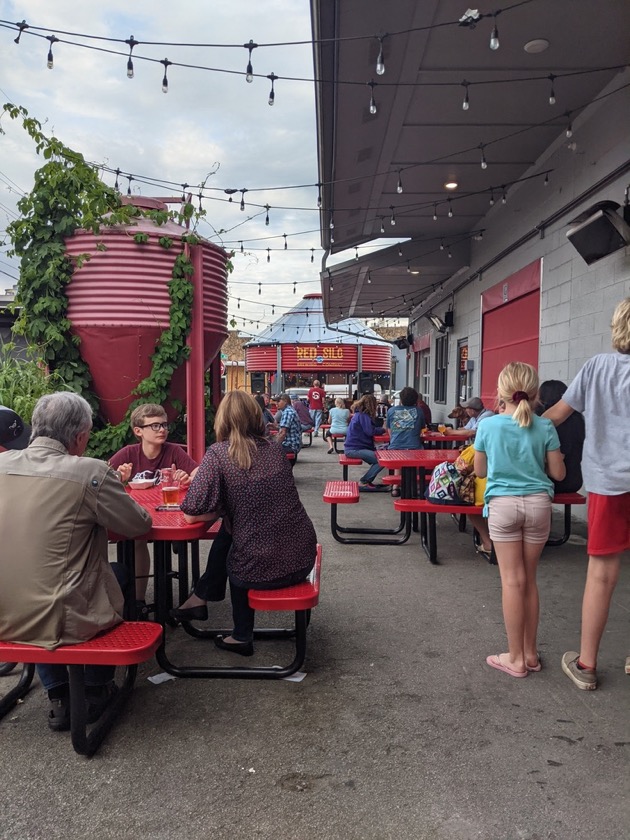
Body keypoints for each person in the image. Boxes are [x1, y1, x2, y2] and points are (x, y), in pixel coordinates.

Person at [0, 392, 152, 730]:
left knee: (33, 581)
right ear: (81, 436)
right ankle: (97, 689)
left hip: (3, 611)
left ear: (35, 426)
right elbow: (138, 525)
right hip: (59, 618)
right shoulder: (90, 473)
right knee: (119, 573)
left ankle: (58, 696)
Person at [171, 392, 317, 655]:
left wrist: (219, 508)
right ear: (255, 416)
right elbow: (257, 499)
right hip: (302, 556)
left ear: (222, 420)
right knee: (235, 533)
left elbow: (191, 513)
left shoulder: (219, 453)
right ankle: (200, 598)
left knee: (238, 553)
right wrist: (226, 508)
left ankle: (240, 635)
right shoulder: (274, 448)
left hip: (264, 568)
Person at [544, 298, 630, 691]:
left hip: (609, 484)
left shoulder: (597, 367)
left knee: (601, 574)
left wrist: (514, 429)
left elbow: (557, 415)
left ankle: (587, 664)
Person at [474, 362, 565, 679]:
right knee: (529, 579)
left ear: (500, 394)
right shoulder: (545, 427)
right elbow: (558, 474)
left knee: (512, 581)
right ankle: (530, 653)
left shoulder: (488, 426)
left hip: (503, 507)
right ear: (536, 394)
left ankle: (514, 659)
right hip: (539, 505)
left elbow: (481, 472)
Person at [109, 403, 198, 608]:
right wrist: (119, 477)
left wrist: (188, 478)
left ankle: (158, 603)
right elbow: (102, 477)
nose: (162, 430)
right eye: (155, 426)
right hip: (138, 515)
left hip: (169, 514)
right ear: (138, 431)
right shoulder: (128, 454)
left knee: (164, 536)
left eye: (164, 425)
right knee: (136, 540)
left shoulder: (173, 451)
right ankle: (138, 602)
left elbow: (199, 472)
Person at [537, 380, 585, 494]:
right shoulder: (577, 418)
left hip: (562, 481)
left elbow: (557, 464)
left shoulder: (562, 424)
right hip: (575, 478)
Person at [385, 386, 425, 498]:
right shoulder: (419, 411)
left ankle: (395, 488)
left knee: (398, 463)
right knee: (418, 464)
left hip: (395, 446)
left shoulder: (392, 411)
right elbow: (422, 427)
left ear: (401, 399)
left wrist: (394, 439)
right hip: (414, 446)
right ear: (416, 399)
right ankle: (417, 486)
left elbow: (389, 429)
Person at [344, 394, 386, 491]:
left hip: (353, 447)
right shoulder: (363, 416)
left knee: (379, 459)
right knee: (382, 460)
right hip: (355, 449)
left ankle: (367, 480)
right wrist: (383, 430)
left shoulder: (358, 414)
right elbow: (370, 431)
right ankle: (364, 481)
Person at [273, 393, 302, 460]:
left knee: (265, 451)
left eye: (278, 401)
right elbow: (288, 429)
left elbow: (283, 433)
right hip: (294, 444)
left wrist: (274, 446)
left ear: (285, 401)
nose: (276, 404)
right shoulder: (288, 410)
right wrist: (275, 427)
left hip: (289, 445)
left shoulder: (287, 412)